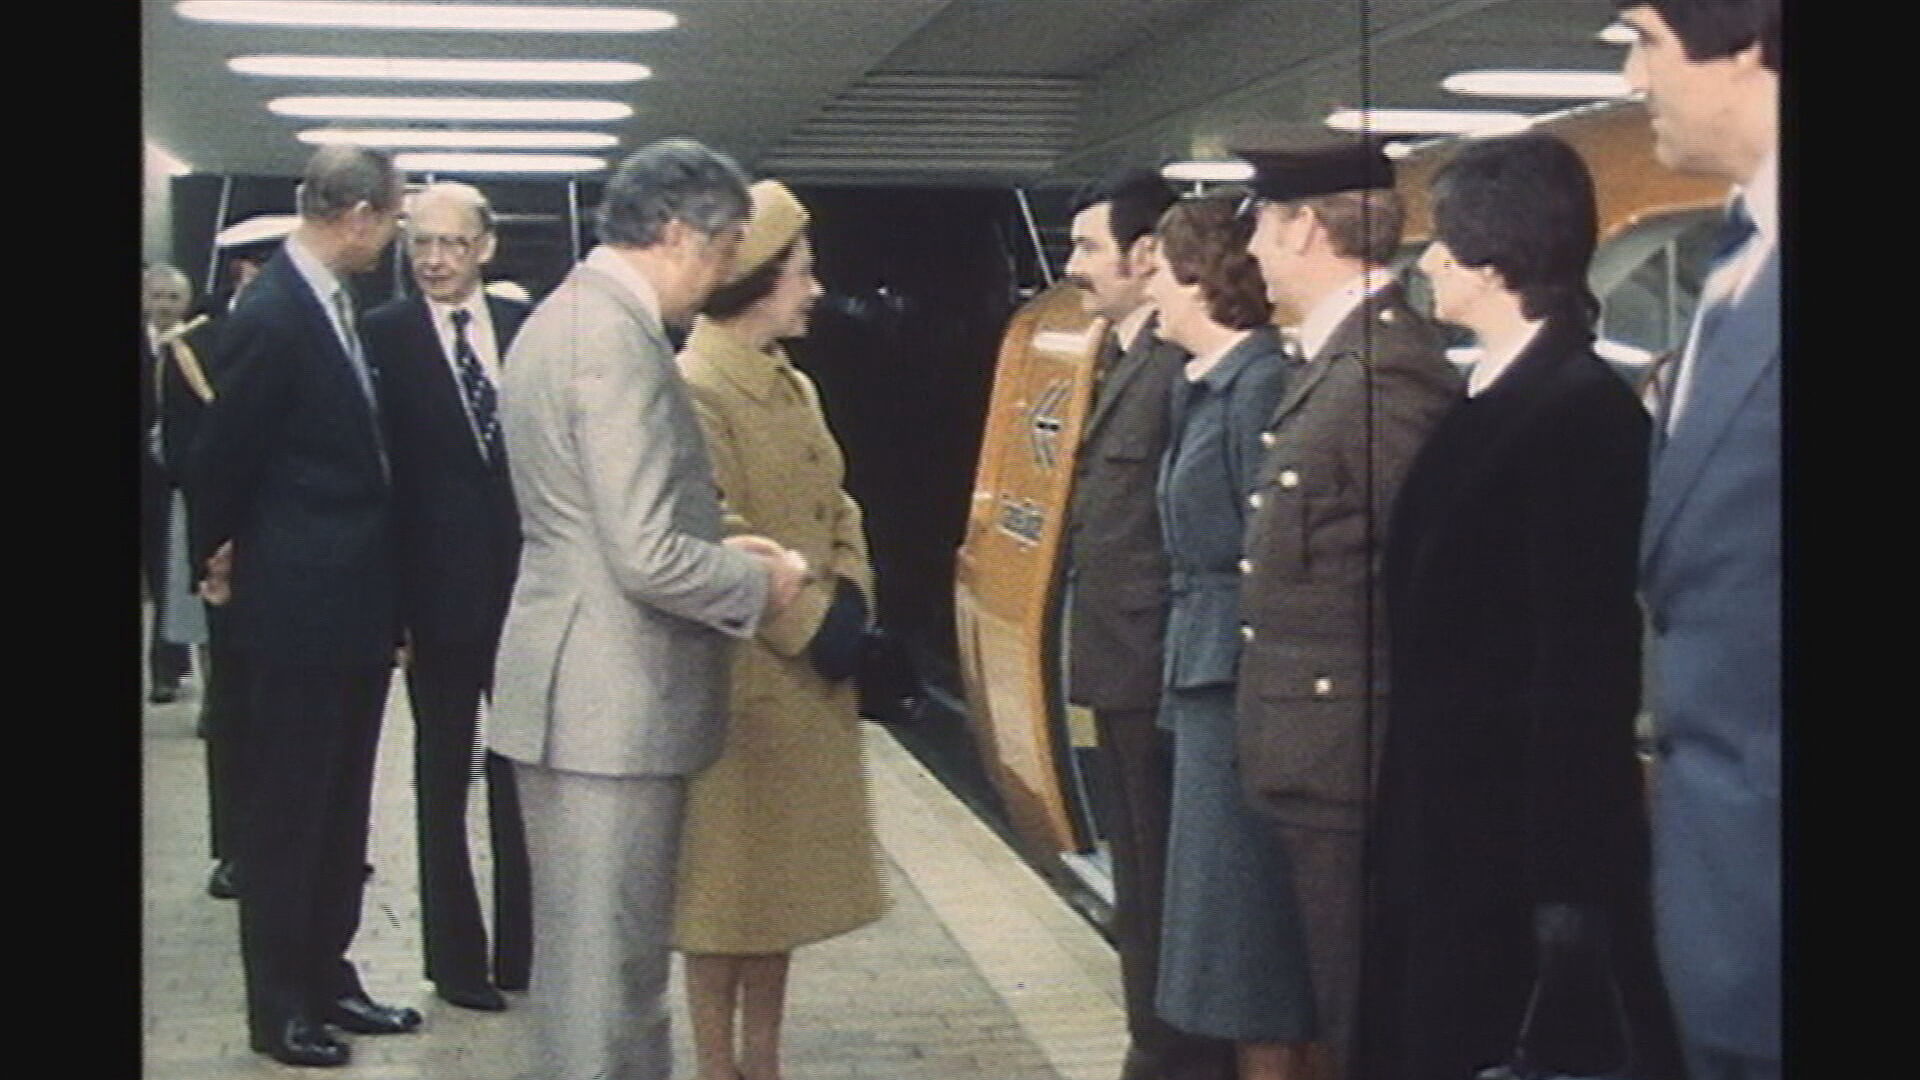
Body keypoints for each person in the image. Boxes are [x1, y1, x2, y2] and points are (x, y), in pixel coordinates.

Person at [1352, 132, 1686, 1080]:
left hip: (1511, 859)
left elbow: (1582, 667)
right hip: (1451, 831)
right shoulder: (1494, 399)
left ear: (1493, 262)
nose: (1427, 266)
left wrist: (1567, 891)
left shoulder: (1580, 418)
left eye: (1442, 246)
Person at [487, 139, 811, 1080]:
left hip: (580, 692)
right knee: (610, 989)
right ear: (675, 234)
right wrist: (761, 581)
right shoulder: (613, 345)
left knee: (588, 973)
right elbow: (643, 556)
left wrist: (718, 546)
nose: (719, 280)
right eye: (719, 256)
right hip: (610, 704)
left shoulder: (567, 320)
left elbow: (604, 525)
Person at [1230, 136, 1460, 1080]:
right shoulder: (1339, 366)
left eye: (1260, 229)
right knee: (1338, 1006)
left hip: (1350, 758)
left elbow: (1429, 586)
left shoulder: (1382, 377)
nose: (1247, 253)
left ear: (1306, 229)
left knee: (1365, 1017)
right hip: (1313, 753)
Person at [183, 144, 418, 1069]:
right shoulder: (275, 314)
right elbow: (217, 459)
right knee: (288, 814)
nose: (393, 235)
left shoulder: (334, 305)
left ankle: (329, 975)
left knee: (340, 810)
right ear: (357, 213)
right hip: (296, 611)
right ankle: (277, 1006)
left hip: (352, 609)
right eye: (394, 217)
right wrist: (222, 560)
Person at [669, 179, 890, 1080]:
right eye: (801, 271)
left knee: (780, 894)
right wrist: (811, 624)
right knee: (723, 899)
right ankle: (719, 1065)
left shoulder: (792, 383)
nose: (814, 288)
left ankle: (765, 1060)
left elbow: (836, 502)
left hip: (804, 680)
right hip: (738, 687)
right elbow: (712, 532)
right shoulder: (695, 389)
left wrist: (852, 598)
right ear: (758, 280)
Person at [1616, 2, 1780, 1077]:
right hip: (1732, 906)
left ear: (1752, 46)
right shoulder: (1738, 260)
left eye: (1643, 40)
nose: (1632, 79)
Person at [1062, 169, 1235, 1080]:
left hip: (1157, 676)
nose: (1073, 267)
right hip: (1125, 668)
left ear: (1144, 254)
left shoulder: (1172, 371)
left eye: (1088, 247)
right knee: (1140, 873)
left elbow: (1190, 530)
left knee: (1168, 882)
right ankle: (1156, 1040)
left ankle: (1176, 1049)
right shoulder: (1132, 360)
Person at [360, 182, 534, 1012]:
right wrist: (391, 612)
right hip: (432, 601)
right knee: (439, 776)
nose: (433, 260)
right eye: (420, 243)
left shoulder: (525, 330)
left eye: (451, 244)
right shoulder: (381, 338)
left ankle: (522, 951)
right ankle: (456, 962)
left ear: (485, 247)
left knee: (522, 771)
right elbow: (376, 485)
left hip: (526, 595)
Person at [1145, 196, 1306, 1080]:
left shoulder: (1258, 388)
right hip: (1204, 676)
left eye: (1161, 267)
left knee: (1246, 937)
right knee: (1223, 931)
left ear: (1199, 279)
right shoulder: (1206, 385)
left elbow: (1266, 556)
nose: (1151, 287)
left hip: (1240, 688)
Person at [142, 264, 195, 704]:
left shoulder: (196, 347)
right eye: (157, 296)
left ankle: (166, 666)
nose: (163, 305)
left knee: (167, 573)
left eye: (172, 298)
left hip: (176, 479)